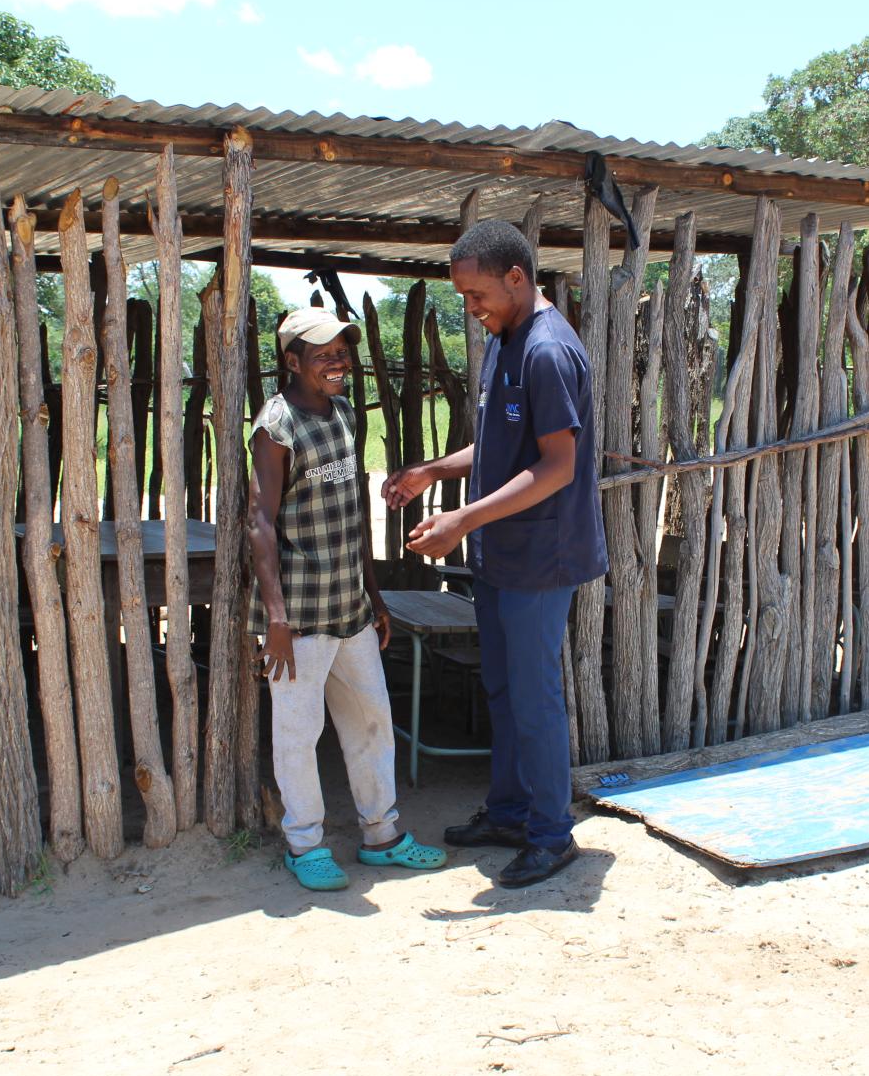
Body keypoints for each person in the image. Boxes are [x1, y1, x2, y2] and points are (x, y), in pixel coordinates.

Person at [381, 220, 607, 888]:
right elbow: (501, 446)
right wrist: (434, 472)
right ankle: (509, 812)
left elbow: (557, 465)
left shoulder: (546, 351)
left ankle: (550, 834)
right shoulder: (506, 341)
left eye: (477, 294)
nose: (471, 308)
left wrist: (460, 521)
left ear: (517, 278)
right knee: (505, 691)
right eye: (463, 297)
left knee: (534, 699)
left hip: (543, 557)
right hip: (504, 554)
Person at [247, 307, 446, 891]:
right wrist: (276, 621)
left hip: (351, 608)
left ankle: (381, 836)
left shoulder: (343, 414)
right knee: (298, 735)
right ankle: (304, 845)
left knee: (370, 724)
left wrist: (375, 596)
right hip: (300, 618)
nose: (337, 363)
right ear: (292, 362)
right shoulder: (276, 425)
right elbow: (259, 523)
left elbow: (354, 511)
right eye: (322, 354)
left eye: (341, 352)